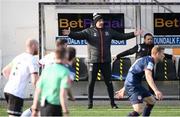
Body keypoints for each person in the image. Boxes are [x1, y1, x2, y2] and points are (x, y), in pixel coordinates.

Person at [62, 13, 142, 109]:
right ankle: (90, 104)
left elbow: (121, 36)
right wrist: (70, 34)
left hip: (106, 62)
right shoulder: (88, 31)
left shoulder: (108, 31)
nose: (102, 22)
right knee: (91, 83)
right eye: (99, 21)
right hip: (93, 61)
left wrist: (133, 34)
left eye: (102, 20)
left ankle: (113, 104)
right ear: (95, 22)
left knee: (109, 83)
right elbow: (77, 35)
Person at [115, 46, 164, 117]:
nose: (164, 55)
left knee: (152, 101)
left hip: (135, 84)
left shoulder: (146, 59)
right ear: (157, 54)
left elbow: (131, 73)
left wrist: (124, 88)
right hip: (133, 86)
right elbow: (148, 76)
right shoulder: (149, 61)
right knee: (138, 110)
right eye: (162, 53)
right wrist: (156, 90)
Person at [2, 39, 39, 117]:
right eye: (37, 46)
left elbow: (5, 71)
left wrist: (14, 81)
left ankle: (32, 110)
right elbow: (34, 80)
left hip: (8, 90)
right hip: (16, 93)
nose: (38, 48)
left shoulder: (19, 56)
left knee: (17, 114)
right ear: (33, 46)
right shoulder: (32, 59)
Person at [31, 47, 70, 116]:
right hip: (55, 106)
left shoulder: (46, 70)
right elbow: (62, 93)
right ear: (65, 56)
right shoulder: (64, 71)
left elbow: (38, 90)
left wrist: (35, 108)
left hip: (43, 106)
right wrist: (65, 110)